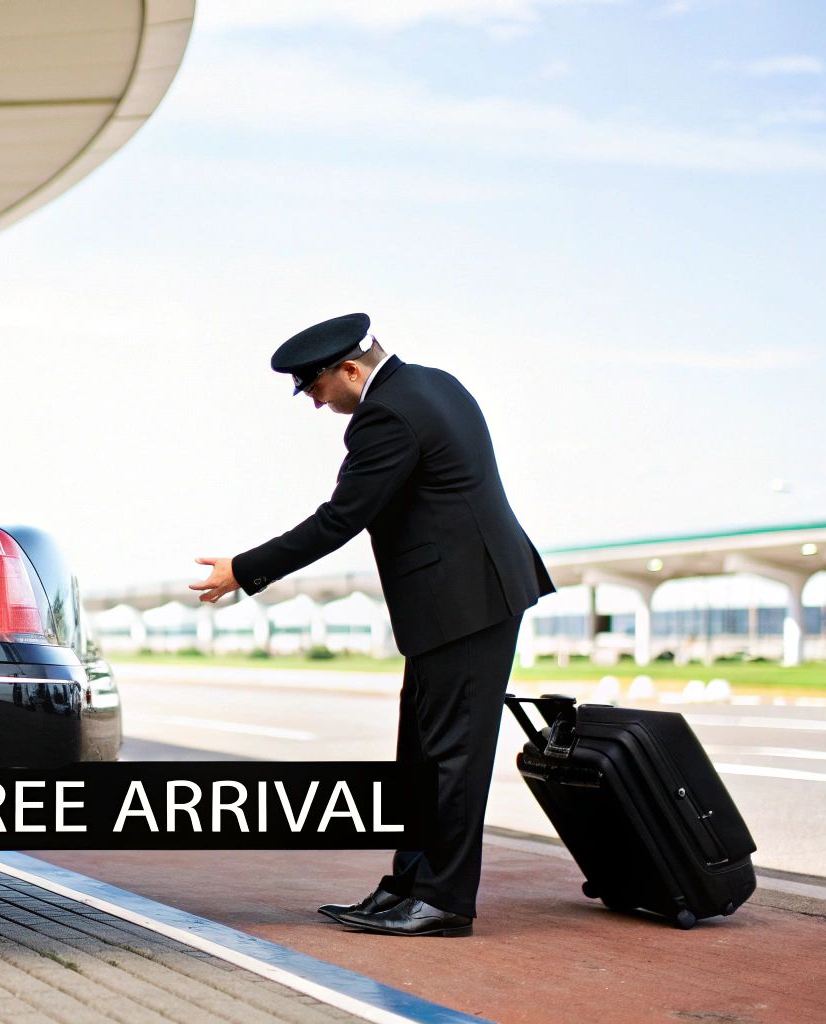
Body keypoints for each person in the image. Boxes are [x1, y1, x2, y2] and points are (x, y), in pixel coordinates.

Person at [191, 312, 554, 938]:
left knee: (452, 758)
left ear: (350, 370)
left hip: (469, 601)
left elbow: (340, 518)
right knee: (421, 756)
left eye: (316, 388)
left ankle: (442, 900)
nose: (316, 403)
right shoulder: (434, 383)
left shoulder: (386, 415)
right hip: (459, 599)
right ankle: (408, 885)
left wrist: (242, 570)